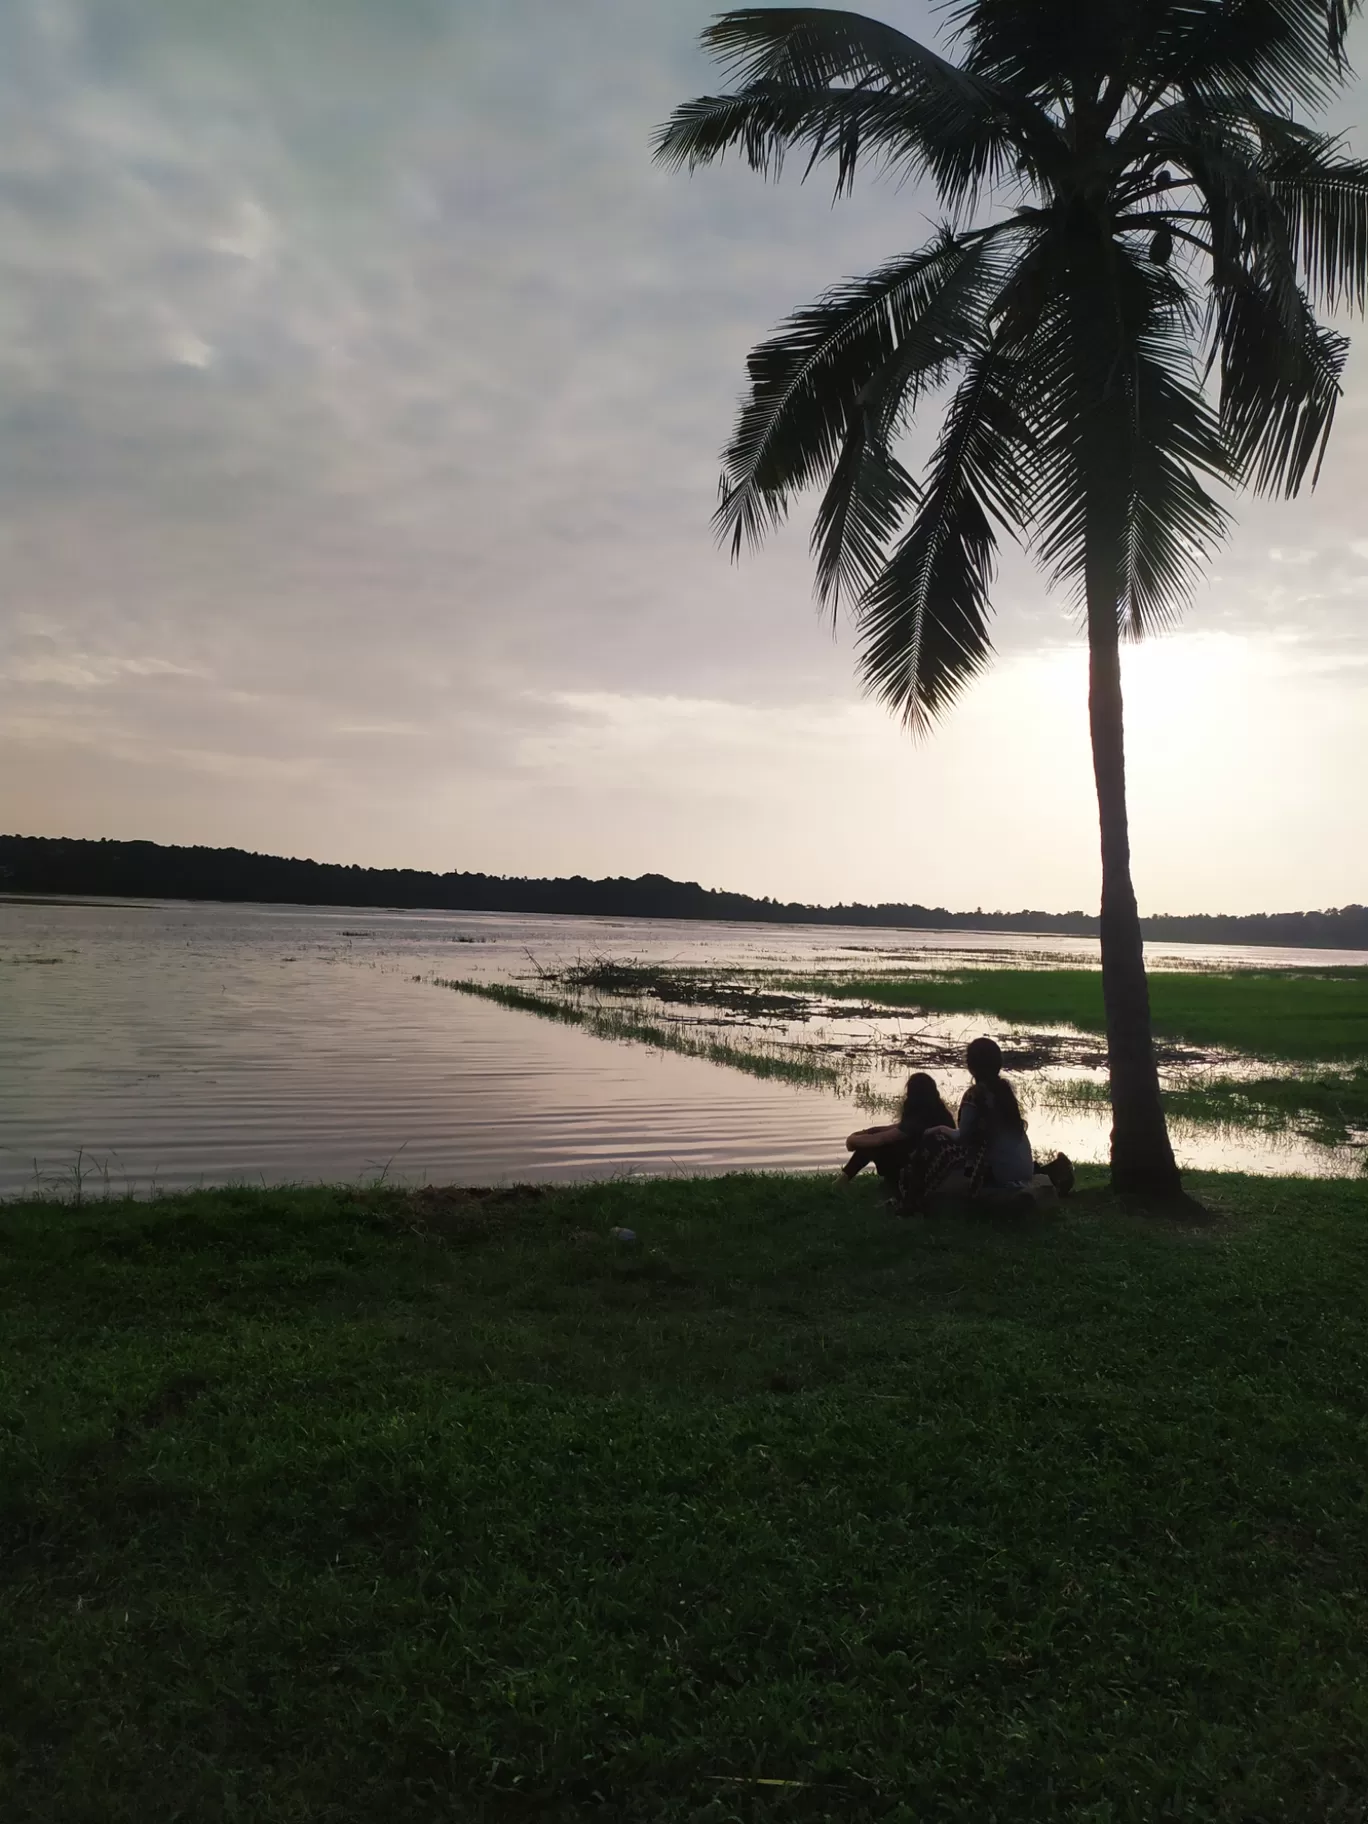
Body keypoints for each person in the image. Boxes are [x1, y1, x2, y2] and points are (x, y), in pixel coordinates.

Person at [900, 1037, 1035, 1211]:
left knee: (933, 1141)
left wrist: (940, 1129)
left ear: (971, 1066)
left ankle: (913, 1197)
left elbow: (962, 1137)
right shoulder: (1004, 1091)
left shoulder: (975, 1095)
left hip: (999, 1173)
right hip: (1023, 1170)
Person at [842, 1072, 955, 1184]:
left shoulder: (919, 1118)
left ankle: (841, 1183)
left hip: (918, 1172)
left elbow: (882, 1139)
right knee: (874, 1136)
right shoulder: (940, 1113)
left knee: (871, 1145)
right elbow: (899, 1128)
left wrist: (852, 1140)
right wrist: (868, 1131)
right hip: (937, 1168)